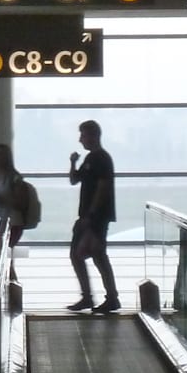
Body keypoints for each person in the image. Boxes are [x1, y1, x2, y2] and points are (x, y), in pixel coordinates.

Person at [66, 120, 118, 313]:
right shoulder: (90, 159)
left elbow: (102, 188)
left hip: (95, 217)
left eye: (83, 135)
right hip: (89, 216)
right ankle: (97, 296)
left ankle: (106, 297)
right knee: (88, 255)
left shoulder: (102, 159)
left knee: (95, 255)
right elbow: (74, 180)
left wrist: (91, 215)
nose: (81, 139)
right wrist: (73, 163)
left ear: (94, 136)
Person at [0, 143, 26, 280]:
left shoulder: (15, 178)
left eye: (1, 156)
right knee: (2, 258)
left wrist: (1, 199)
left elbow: (20, 203)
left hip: (13, 223)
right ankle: (7, 284)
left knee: (0, 257)